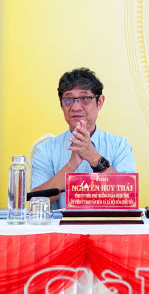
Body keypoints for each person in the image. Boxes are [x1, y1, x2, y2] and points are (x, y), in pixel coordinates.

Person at [29, 68, 136, 208]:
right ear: (61, 104)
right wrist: (71, 165)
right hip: (61, 223)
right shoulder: (45, 149)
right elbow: (35, 204)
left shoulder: (119, 145)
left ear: (100, 102)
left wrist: (94, 158)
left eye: (85, 98)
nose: (75, 107)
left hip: (107, 223)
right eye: (68, 99)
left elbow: (129, 198)